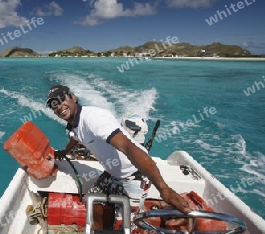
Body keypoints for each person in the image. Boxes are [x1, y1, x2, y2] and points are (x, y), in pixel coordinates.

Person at [45, 85, 191, 215]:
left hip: (135, 174)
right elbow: (75, 138)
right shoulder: (74, 125)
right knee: (92, 203)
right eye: (54, 105)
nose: (58, 106)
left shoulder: (93, 119)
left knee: (125, 227)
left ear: (73, 97)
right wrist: (64, 152)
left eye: (61, 99)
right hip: (111, 173)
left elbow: (128, 147)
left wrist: (163, 188)